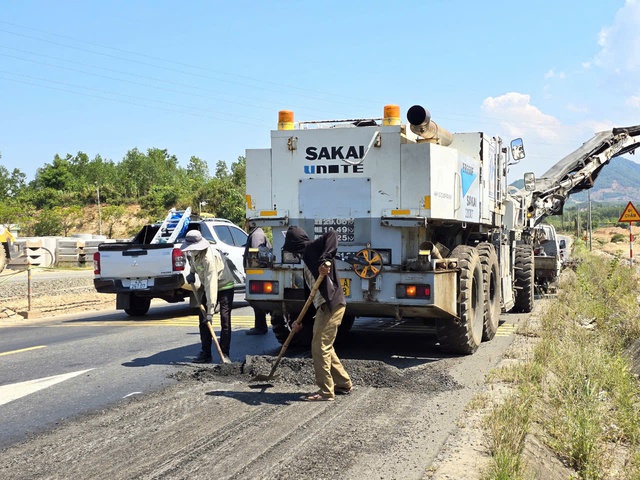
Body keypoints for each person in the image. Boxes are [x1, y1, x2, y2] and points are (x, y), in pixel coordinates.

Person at [283, 225, 352, 402]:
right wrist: (300, 321)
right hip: (322, 307)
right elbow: (309, 299)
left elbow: (332, 234)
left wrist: (325, 260)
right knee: (325, 346)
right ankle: (343, 383)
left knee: (319, 347)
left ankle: (326, 392)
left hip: (331, 305)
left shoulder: (312, 249)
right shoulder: (305, 263)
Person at [181, 230, 235, 363]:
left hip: (224, 286)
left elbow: (212, 285)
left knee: (225, 319)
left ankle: (225, 353)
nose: (190, 250)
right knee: (203, 320)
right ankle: (206, 353)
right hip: (208, 286)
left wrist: (210, 311)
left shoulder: (209, 259)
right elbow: (194, 263)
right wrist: (192, 272)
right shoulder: (193, 253)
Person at [243, 223, 272, 335]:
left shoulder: (256, 235)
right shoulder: (256, 233)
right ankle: (260, 325)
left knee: (257, 301)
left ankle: (260, 326)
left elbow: (255, 253)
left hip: (258, 272)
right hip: (258, 272)